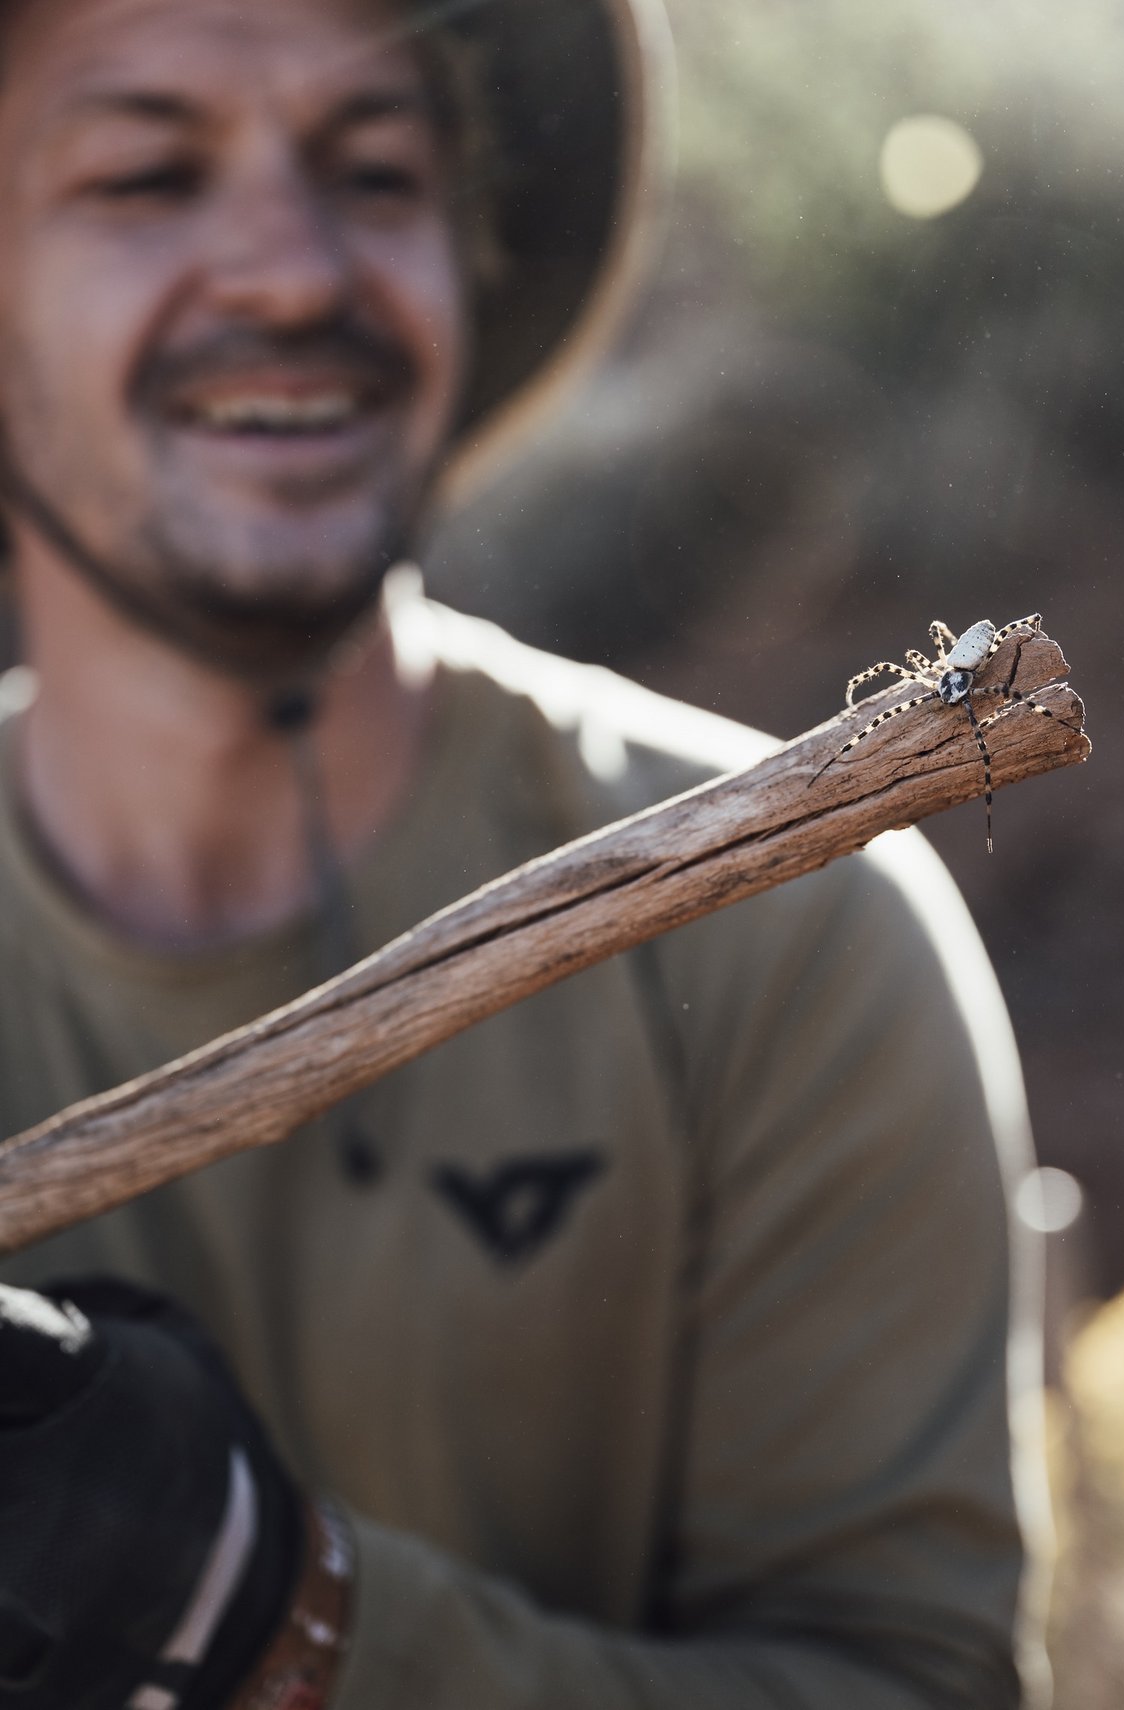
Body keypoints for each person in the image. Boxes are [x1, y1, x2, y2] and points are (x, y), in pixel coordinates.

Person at [0, 0, 1050, 1706]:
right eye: (145, 174)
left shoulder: (788, 934)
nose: (286, 273)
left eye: (377, 173)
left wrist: (273, 1606)